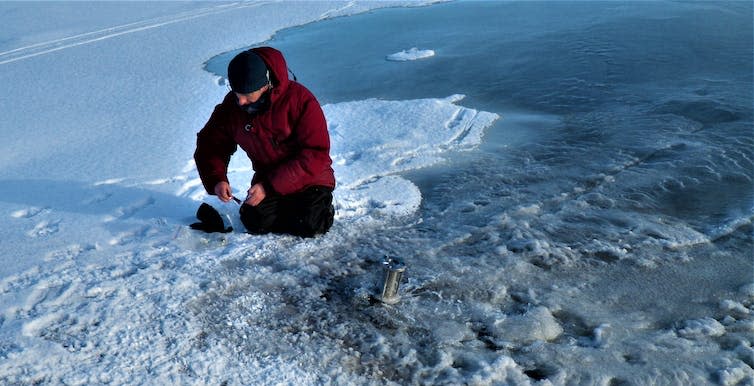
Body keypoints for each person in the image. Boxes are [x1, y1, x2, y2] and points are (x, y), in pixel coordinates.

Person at [194, 47, 335, 237]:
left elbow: (315, 154)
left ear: (265, 86)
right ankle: (286, 206)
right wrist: (217, 178)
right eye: (237, 94)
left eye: (247, 95)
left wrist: (267, 186)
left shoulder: (300, 101)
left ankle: (318, 208)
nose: (241, 102)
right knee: (256, 223)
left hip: (310, 178)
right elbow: (211, 144)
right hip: (267, 179)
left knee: (309, 224)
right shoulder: (232, 107)